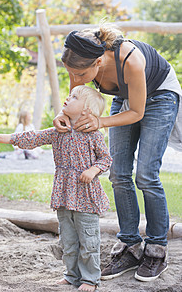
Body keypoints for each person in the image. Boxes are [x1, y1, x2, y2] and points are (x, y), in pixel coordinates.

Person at [53, 23, 182, 282]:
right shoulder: (80, 59)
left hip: (160, 96)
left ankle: (157, 249)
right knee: (119, 173)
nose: (75, 79)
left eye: (79, 73)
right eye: (71, 73)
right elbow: (76, 92)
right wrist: (63, 113)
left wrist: (99, 122)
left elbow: (137, 112)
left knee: (145, 174)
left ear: (98, 62)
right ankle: (131, 247)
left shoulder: (131, 60)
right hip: (124, 99)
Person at [0, 85, 113, 292]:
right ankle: (72, 275)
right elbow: (32, 138)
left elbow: (106, 159)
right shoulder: (57, 132)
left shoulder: (93, 134)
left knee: (88, 239)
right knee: (68, 239)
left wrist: (93, 169)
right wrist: (2, 137)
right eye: (70, 94)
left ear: (86, 111)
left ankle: (90, 279)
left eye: (74, 97)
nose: (67, 97)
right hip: (64, 195)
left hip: (86, 196)